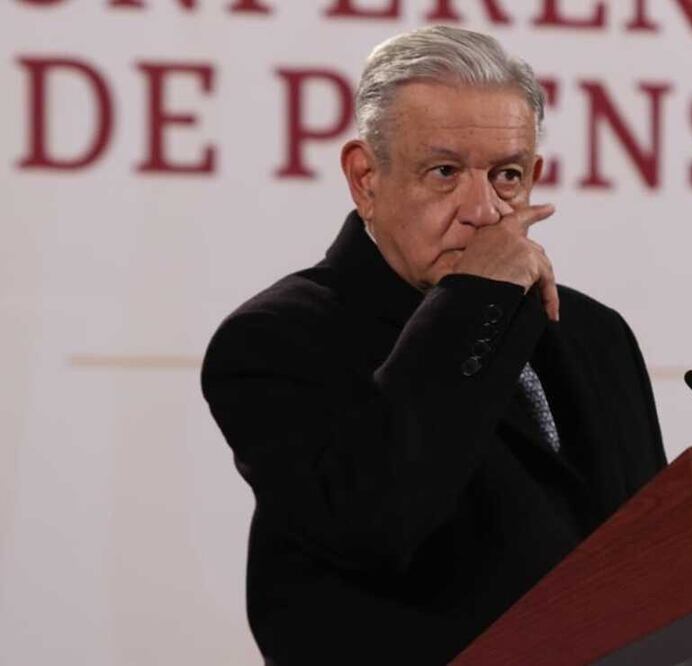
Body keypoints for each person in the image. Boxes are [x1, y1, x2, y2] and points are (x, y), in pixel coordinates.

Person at [201, 25, 666, 665]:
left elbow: (649, 553)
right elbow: (375, 519)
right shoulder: (277, 337)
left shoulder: (593, 332)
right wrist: (473, 297)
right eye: (445, 172)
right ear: (366, 177)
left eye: (506, 176)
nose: (484, 210)